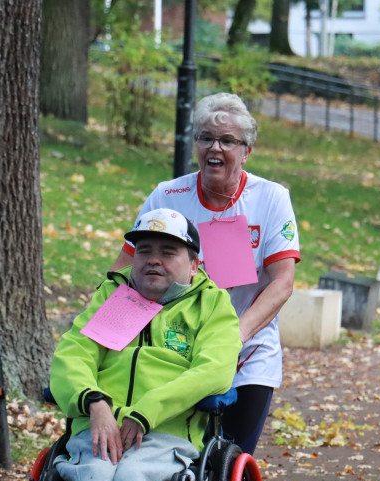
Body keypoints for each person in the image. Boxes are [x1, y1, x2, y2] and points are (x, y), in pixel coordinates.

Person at [33, 208, 242, 481]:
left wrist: (147, 411)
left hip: (165, 433)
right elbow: (71, 356)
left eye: (168, 251)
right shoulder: (115, 299)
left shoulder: (210, 305)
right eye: (144, 250)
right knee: (95, 470)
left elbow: (214, 370)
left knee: (132, 472)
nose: (153, 259)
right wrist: (94, 402)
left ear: (193, 263)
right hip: (99, 427)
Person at [110, 92, 300, 456]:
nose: (216, 147)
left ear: (246, 151)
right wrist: (108, 331)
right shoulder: (168, 194)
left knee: (228, 460)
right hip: (171, 351)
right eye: (205, 138)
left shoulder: (271, 198)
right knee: (168, 453)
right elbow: (125, 270)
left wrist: (233, 337)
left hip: (247, 351)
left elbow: (283, 282)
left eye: (228, 140)